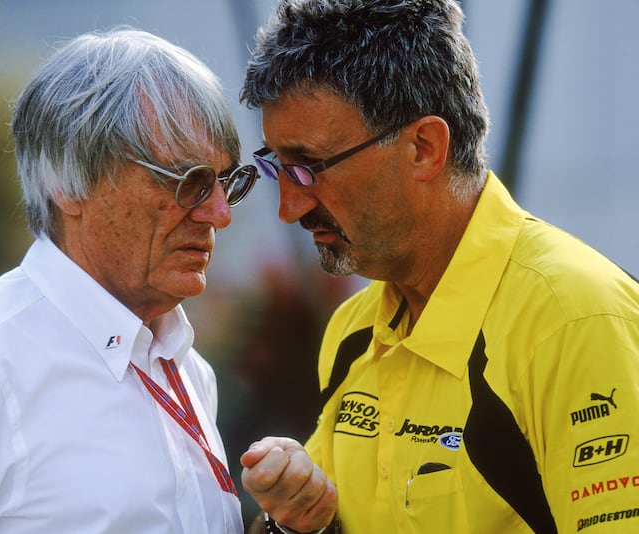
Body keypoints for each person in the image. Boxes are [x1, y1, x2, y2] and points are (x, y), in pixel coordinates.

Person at [237, 1, 639, 533]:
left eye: (309, 168)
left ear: (425, 148)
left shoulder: (577, 321)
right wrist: (294, 522)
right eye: (277, 168)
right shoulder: (353, 331)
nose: (289, 207)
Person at [0, 28, 258, 533]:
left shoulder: (187, 368)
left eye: (226, 182)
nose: (219, 214)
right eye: (188, 181)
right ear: (70, 183)